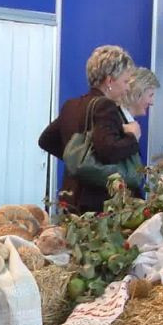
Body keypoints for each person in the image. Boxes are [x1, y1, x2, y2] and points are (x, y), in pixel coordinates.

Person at [38, 45, 138, 212]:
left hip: (70, 196)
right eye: (125, 81)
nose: (127, 88)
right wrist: (132, 136)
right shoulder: (106, 107)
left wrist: (76, 160)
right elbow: (109, 151)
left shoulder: (71, 106)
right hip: (96, 203)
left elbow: (46, 140)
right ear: (110, 81)